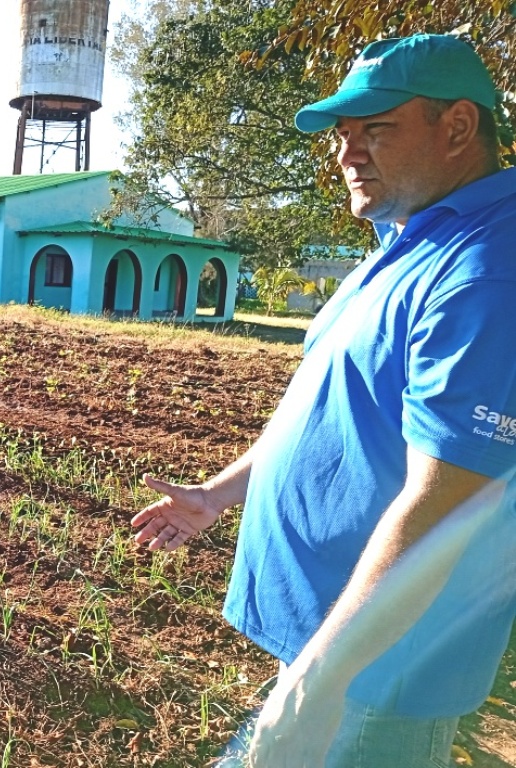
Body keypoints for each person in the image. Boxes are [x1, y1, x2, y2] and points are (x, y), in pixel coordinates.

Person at [132, 34, 516, 767]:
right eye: (343, 136)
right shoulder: (408, 238)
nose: (347, 155)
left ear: (459, 128)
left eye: (375, 131)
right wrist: (220, 494)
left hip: (374, 681)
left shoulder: (488, 272)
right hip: (334, 651)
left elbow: (449, 506)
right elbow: (330, 404)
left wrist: (319, 685)